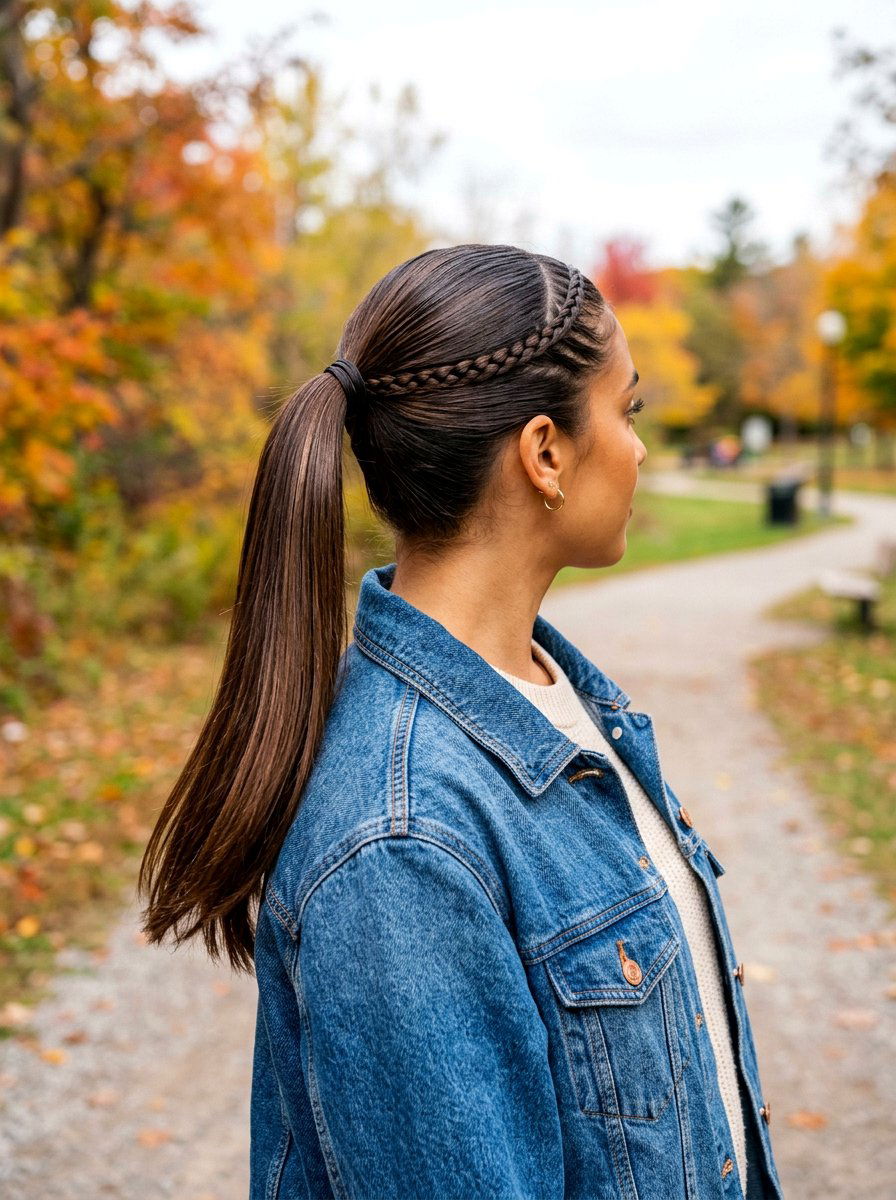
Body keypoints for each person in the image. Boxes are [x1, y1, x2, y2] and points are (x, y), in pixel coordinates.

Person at [137, 244, 783, 1199]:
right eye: (628, 408)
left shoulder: (561, 695)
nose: (640, 446)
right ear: (545, 452)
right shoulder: (403, 843)